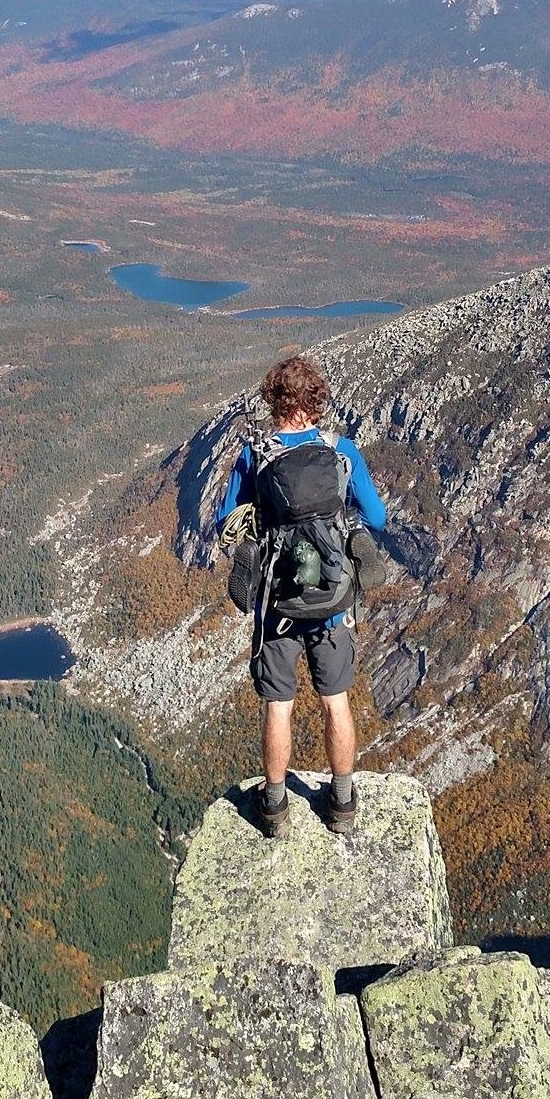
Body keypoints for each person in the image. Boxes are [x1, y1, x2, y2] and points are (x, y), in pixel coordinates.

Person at [215, 353, 387, 839]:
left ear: (274, 401)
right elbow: (377, 517)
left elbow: (226, 524)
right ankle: (342, 802)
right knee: (336, 701)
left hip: (278, 604)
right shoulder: (341, 451)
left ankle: (274, 806)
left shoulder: (256, 455)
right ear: (317, 402)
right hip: (333, 600)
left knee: (278, 705)